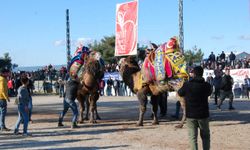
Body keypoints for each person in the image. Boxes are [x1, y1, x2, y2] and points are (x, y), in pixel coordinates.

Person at [178, 66, 212, 150]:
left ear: (194, 74)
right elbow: (209, 93)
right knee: (205, 137)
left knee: (192, 137)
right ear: (202, 74)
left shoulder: (187, 85)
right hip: (203, 115)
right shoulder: (207, 85)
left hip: (191, 115)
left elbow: (180, 93)